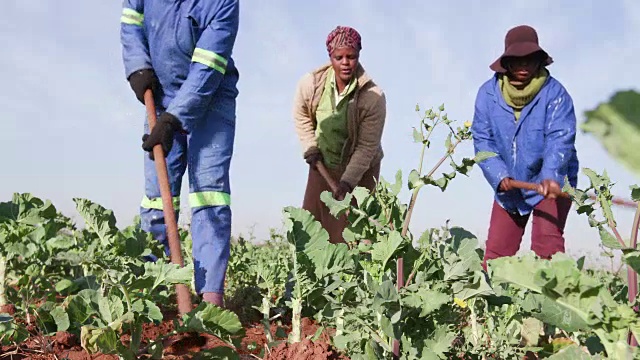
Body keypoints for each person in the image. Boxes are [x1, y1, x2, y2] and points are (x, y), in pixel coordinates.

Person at [120, 0, 240, 307]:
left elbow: (208, 68)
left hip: (212, 97)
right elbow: (131, 21)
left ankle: (210, 297)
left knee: (209, 193)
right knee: (157, 196)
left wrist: (174, 120)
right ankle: (154, 289)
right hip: (160, 96)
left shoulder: (222, 4)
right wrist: (137, 67)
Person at [470, 25, 579, 270]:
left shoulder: (556, 94)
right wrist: (500, 176)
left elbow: (559, 138)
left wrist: (551, 177)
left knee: (547, 249)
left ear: (539, 60)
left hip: (551, 182)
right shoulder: (487, 95)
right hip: (509, 185)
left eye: (530, 59)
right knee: (497, 256)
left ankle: (553, 306)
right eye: (517, 59)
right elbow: (482, 139)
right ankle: (490, 306)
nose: (524, 65)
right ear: (505, 62)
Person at [292, 26, 387, 244]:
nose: (345, 62)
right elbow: (301, 116)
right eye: (339, 57)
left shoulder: (373, 97)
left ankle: (353, 277)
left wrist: (347, 183)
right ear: (331, 58)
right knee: (310, 228)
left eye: (351, 57)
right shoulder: (312, 83)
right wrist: (310, 148)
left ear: (358, 56)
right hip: (322, 164)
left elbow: (366, 147)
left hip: (361, 171)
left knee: (352, 234)